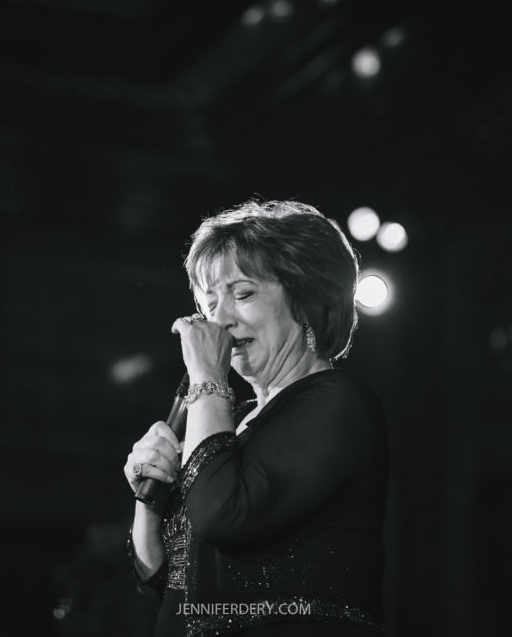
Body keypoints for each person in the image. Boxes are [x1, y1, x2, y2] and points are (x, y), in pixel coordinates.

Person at [123, 199, 390, 636]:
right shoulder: (228, 421)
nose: (220, 320)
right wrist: (149, 499)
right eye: (210, 302)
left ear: (306, 299)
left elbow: (225, 516)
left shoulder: (338, 403)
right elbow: (164, 581)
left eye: (242, 294)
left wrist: (207, 378)